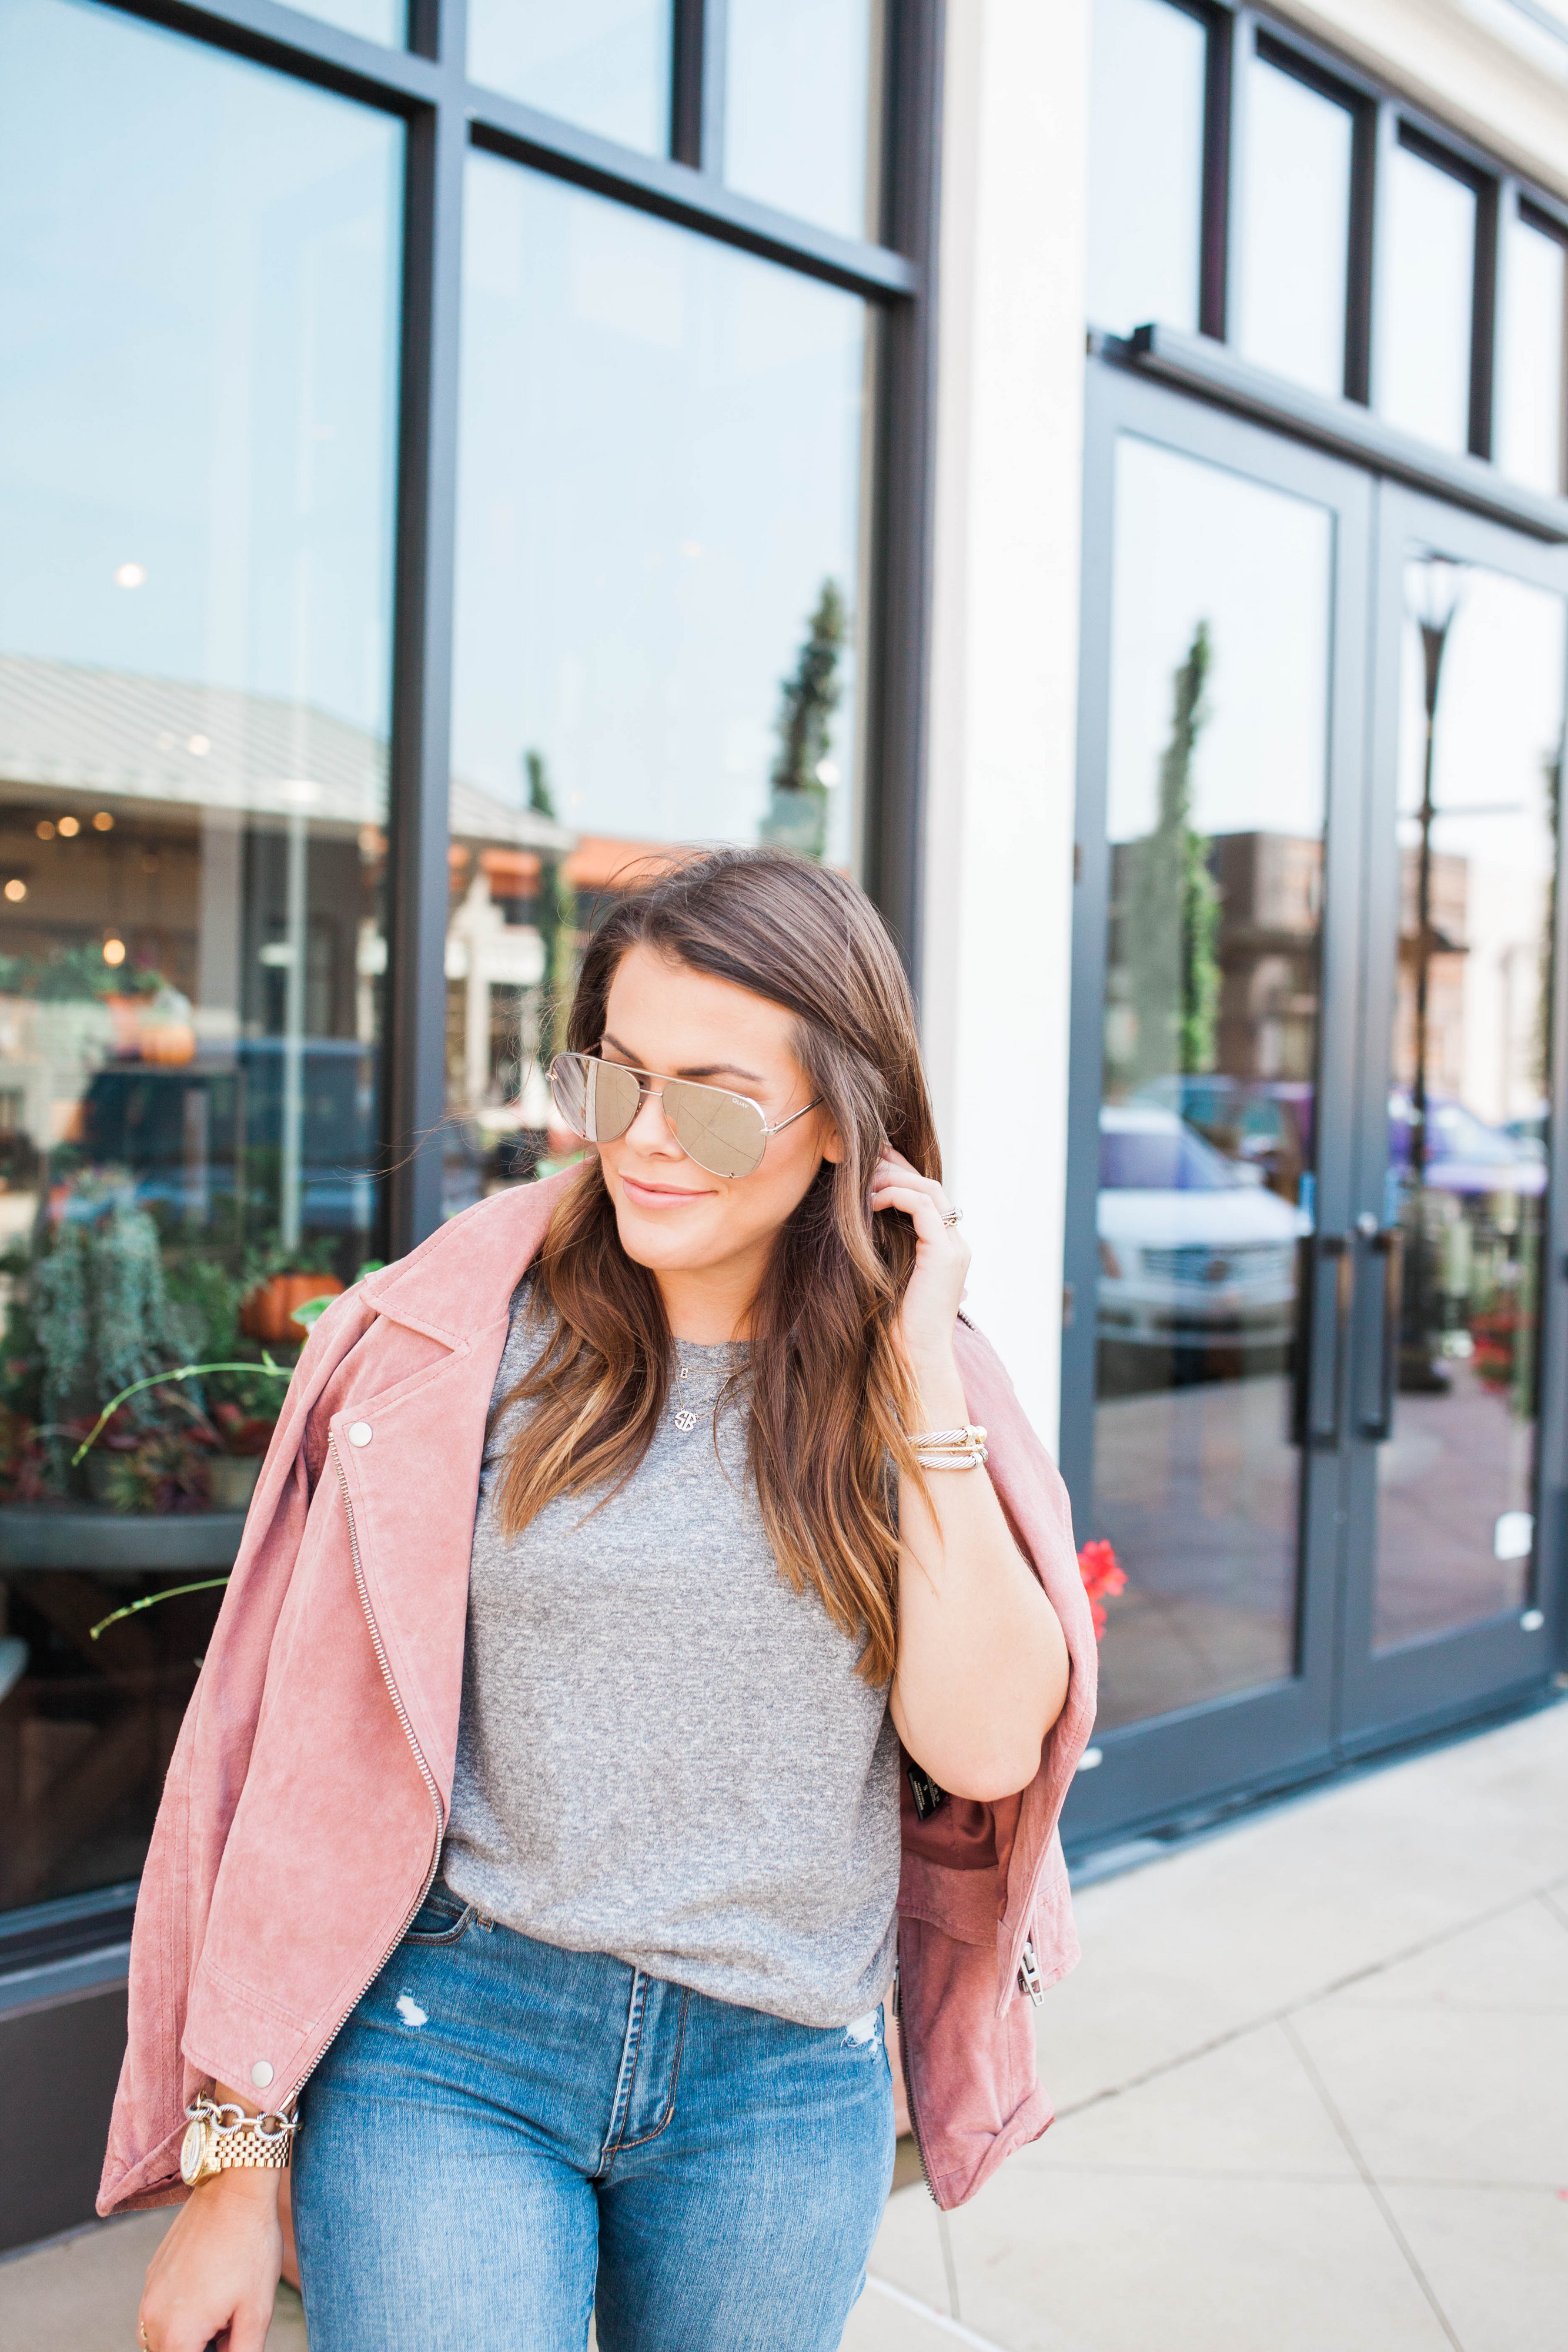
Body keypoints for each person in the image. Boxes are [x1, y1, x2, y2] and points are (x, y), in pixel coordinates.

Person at [104, 847, 1096, 2352]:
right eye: (613, 1078)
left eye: (708, 1096)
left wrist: (916, 1382)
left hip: (780, 2080)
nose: (643, 1140)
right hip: (454, 2042)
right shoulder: (447, 1352)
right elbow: (296, 1766)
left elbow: (980, 1747)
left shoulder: (918, 1389)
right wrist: (233, 2166)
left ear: (840, 1120)